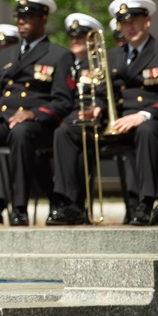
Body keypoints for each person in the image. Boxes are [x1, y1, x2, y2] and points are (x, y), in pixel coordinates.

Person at [0, 0, 75, 226]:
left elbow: (63, 101)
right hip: (4, 121)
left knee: (21, 134)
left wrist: (33, 114)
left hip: (37, 125)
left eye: (28, 16)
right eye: (19, 17)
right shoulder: (5, 56)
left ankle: (18, 208)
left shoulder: (59, 55)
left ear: (43, 19)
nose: (21, 22)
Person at [95, 0, 158, 225]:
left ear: (147, 21)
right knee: (70, 133)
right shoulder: (113, 55)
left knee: (145, 131)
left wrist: (143, 115)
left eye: (134, 21)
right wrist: (95, 109)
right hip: (121, 121)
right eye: (124, 23)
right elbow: (101, 93)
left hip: (156, 121)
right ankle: (68, 203)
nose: (129, 27)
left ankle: (148, 201)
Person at [46, 12, 105, 225]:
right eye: (72, 37)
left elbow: (107, 93)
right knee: (64, 135)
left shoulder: (100, 63)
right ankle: (71, 204)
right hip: (71, 122)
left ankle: (70, 202)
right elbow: (61, 97)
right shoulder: (66, 63)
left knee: (68, 136)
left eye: (80, 37)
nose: (74, 41)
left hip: (95, 122)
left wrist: (97, 107)